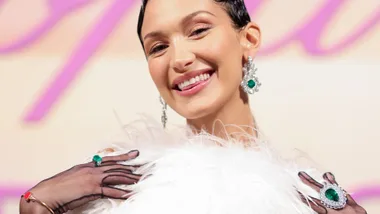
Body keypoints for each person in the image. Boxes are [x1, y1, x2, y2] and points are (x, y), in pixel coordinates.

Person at [19, 0, 367, 213]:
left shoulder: (308, 199)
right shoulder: (124, 191)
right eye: (157, 48)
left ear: (248, 39)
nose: (179, 59)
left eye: (198, 30)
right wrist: (36, 206)